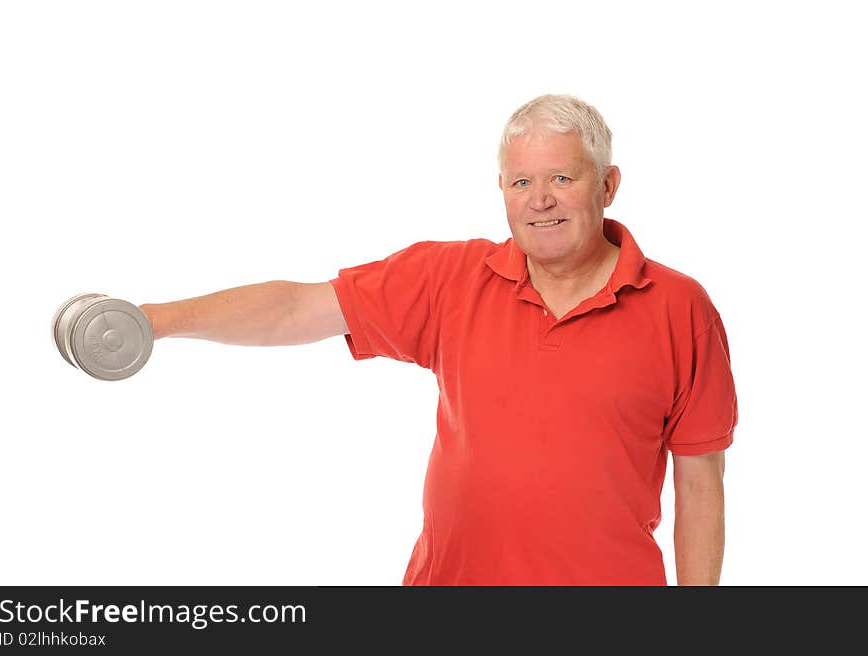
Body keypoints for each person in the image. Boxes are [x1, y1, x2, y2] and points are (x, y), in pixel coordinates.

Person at [139, 94, 738, 586]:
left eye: (562, 177)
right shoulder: (452, 280)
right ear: (501, 188)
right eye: (521, 181)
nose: (540, 201)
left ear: (607, 185)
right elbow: (296, 307)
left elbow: (699, 482)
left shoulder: (679, 307)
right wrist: (152, 321)